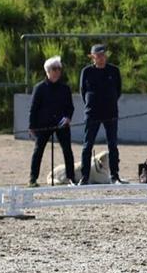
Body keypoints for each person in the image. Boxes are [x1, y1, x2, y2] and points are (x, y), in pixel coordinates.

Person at [79, 43, 126, 184]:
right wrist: (90, 104)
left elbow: (118, 90)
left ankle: (114, 175)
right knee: (87, 145)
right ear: (92, 57)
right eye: (98, 55)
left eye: (103, 54)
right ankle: (84, 176)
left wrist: (110, 102)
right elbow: (83, 91)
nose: (101, 58)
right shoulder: (86, 71)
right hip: (92, 113)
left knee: (112, 144)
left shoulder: (114, 71)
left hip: (110, 112)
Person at [27, 56, 77, 187]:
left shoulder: (65, 88)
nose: (57, 72)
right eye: (54, 69)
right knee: (38, 150)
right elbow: (33, 108)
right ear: (47, 71)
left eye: (59, 69)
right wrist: (32, 126)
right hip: (43, 125)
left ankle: (71, 178)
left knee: (67, 150)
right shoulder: (39, 88)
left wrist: (68, 117)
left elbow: (70, 107)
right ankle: (33, 179)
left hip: (62, 124)